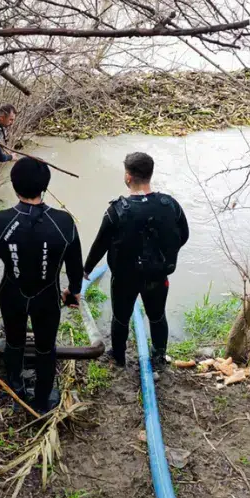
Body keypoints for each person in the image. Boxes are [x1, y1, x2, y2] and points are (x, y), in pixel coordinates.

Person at [0, 157, 83, 415]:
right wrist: (72, 292)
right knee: (45, 347)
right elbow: (75, 267)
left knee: (14, 342)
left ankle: (16, 391)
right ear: (45, 187)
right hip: (47, 295)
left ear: (14, 186)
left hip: (11, 293)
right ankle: (41, 399)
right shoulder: (64, 222)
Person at [83, 152, 189, 370]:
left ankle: (118, 357)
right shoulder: (170, 204)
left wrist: (86, 270)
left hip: (124, 278)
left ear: (128, 177)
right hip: (157, 275)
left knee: (121, 318)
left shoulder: (116, 210)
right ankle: (159, 357)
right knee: (157, 316)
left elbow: (99, 245)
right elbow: (184, 234)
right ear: (150, 175)